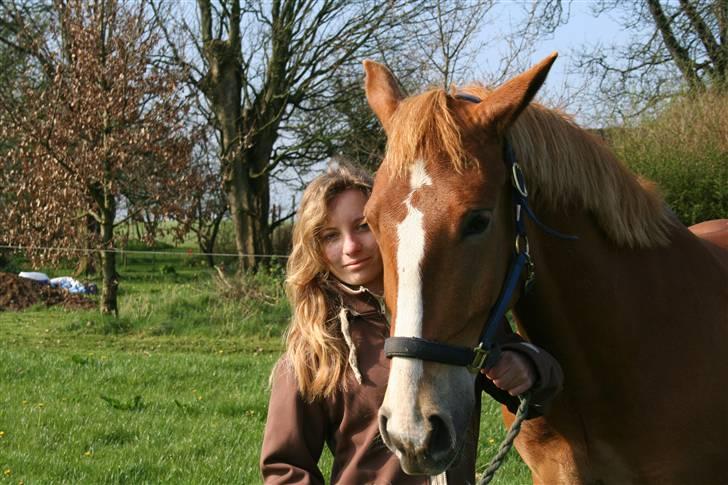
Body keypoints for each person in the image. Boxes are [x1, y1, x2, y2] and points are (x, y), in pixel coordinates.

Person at [260, 163, 563, 484]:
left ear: (387, 225)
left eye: (362, 226)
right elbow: (286, 468)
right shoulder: (316, 345)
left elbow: (540, 393)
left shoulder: (447, 314)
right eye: (331, 236)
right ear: (317, 250)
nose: (351, 248)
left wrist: (526, 366)